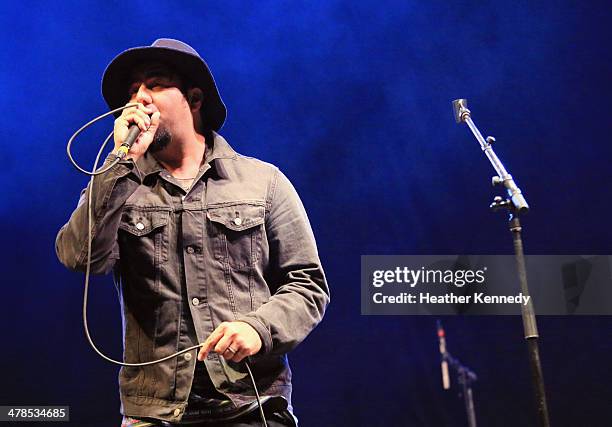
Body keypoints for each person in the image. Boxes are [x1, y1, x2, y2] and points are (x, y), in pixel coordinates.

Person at [56, 38, 329, 426]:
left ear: (195, 99)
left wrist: (259, 329)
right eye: (132, 91)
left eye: (155, 85)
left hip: (250, 404)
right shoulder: (117, 186)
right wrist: (120, 163)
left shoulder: (262, 182)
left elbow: (307, 284)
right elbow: (80, 258)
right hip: (153, 412)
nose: (139, 99)